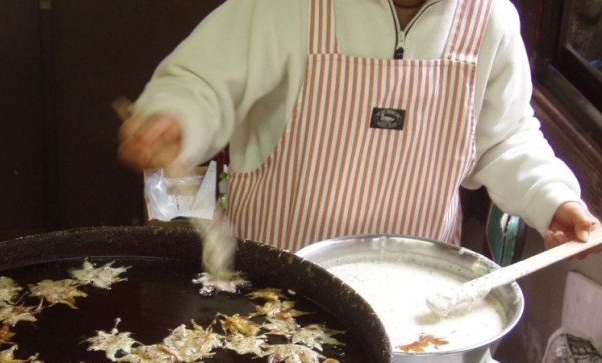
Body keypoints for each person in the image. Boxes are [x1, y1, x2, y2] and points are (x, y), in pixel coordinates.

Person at [117, 0, 601, 255]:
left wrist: (550, 198)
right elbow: (203, 82)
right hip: (277, 282)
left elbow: (504, 140)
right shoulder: (286, 7)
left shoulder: (491, 19)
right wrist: (176, 119)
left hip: (413, 301)